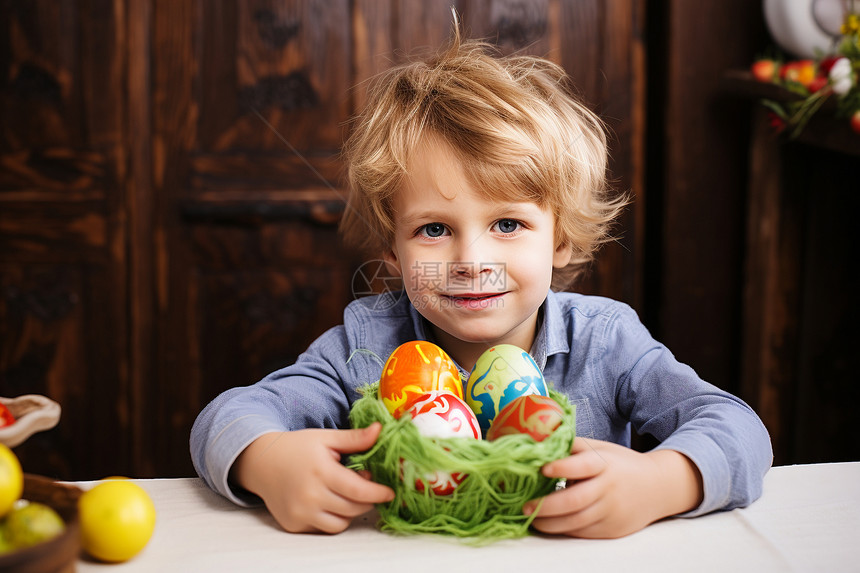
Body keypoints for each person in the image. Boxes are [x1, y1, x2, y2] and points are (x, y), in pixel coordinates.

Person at [190, 25, 772, 539]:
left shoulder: (607, 341)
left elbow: (739, 429)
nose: (471, 260)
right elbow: (229, 416)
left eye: (508, 224)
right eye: (435, 229)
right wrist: (266, 462)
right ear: (392, 249)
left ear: (560, 239)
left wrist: (662, 481)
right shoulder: (364, 345)